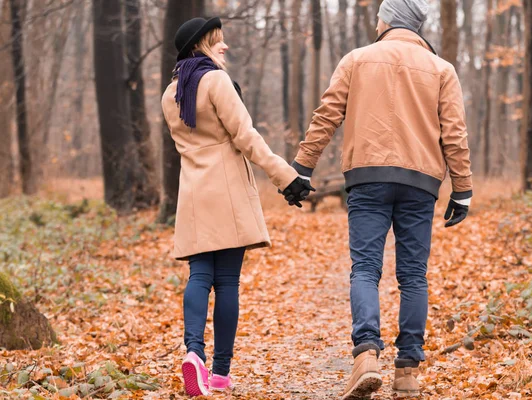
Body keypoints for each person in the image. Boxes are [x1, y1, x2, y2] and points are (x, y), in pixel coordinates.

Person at [290, 0, 473, 398]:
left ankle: (366, 355)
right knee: (412, 275)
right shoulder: (442, 70)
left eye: (380, 15)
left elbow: (327, 115)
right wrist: (462, 190)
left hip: (367, 177)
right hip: (421, 182)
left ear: (389, 19)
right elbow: (454, 135)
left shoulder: (357, 59)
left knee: (365, 269)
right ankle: (407, 372)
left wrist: (302, 167)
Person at [161, 17, 314, 397]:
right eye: (217, 41)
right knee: (227, 282)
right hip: (227, 193)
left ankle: (193, 353)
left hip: (194, 195)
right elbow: (246, 136)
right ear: (200, 45)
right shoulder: (216, 81)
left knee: (199, 277)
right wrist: (285, 177)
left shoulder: (171, 93)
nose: (224, 46)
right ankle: (219, 374)